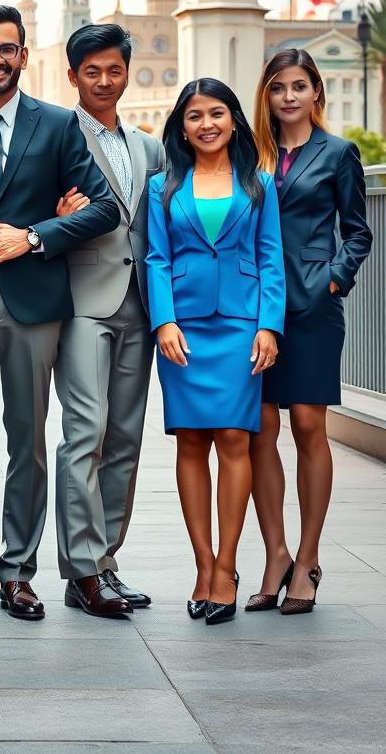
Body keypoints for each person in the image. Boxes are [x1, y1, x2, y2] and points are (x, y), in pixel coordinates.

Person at [0, 5, 120, 623]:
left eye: (6, 48)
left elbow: (102, 210)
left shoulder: (61, 125)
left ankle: (18, 572)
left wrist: (35, 235)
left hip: (34, 300)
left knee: (27, 439)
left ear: (22, 53)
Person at [147, 78, 285, 625]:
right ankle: (203, 564)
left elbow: (271, 258)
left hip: (241, 325)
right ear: (181, 126)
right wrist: (163, 322)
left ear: (234, 122)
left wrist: (268, 327)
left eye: (217, 114)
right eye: (195, 116)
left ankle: (226, 565)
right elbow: (156, 258)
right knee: (189, 442)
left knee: (234, 438)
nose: (206, 124)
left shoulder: (259, 185)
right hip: (182, 328)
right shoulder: (163, 186)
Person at [247, 49, 372, 615]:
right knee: (259, 430)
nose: (289, 96)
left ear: (316, 92)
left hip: (314, 308)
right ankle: (274, 554)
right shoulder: (251, 155)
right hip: (255, 306)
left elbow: (359, 233)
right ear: (267, 96)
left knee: (306, 424)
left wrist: (333, 281)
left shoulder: (339, 153)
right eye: (278, 87)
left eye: (299, 86)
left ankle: (309, 554)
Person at [53, 23, 165, 618]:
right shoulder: (55, 135)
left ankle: (106, 563)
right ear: (73, 76)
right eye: (91, 71)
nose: (103, 80)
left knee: (124, 437)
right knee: (85, 434)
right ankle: (82, 569)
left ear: (126, 73)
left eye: (113, 70)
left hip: (140, 305)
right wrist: (53, 212)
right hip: (81, 302)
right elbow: (23, 207)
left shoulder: (149, 146)